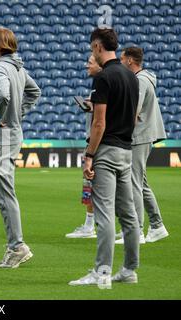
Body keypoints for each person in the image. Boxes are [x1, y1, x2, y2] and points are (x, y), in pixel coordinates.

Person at [69, 28, 140, 289]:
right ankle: (130, 270)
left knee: (105, 215)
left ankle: (102, 273)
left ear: (98, 47)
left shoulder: (103, 77)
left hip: (107, 151)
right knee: (129, 215)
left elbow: (98, 124)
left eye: (91, 49)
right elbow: (134, 118)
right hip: (126, 150)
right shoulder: (132, 77)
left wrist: (89, 155)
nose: (91, 54)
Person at [0, 28, 41, 268]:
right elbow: (34, 92)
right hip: (13, 132)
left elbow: (4, 94)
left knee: (4, 192)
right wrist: (18, 115)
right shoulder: (19, 67)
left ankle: (17, 246)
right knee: (5, 191)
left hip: (2, 136)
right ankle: (15, 245)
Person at [115, 47, 169, 244]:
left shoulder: (139, 81)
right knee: (141, 182)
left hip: (139, 136)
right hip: (144, 135)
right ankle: (157, 225)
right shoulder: (145, 79)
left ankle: (136, 231)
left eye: (122, 59)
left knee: (134, 183)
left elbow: (132, 111)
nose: (120, 63)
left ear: (130, 60)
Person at [66, 55, 102, 239]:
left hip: (98, 144)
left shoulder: (103, 83)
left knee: (95, 185)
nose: (87, 64)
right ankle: (89, 225)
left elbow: (103, 117)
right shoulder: (99, 85)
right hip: (95, 141)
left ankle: (92, 227)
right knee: (90, 186)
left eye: (90, 62)